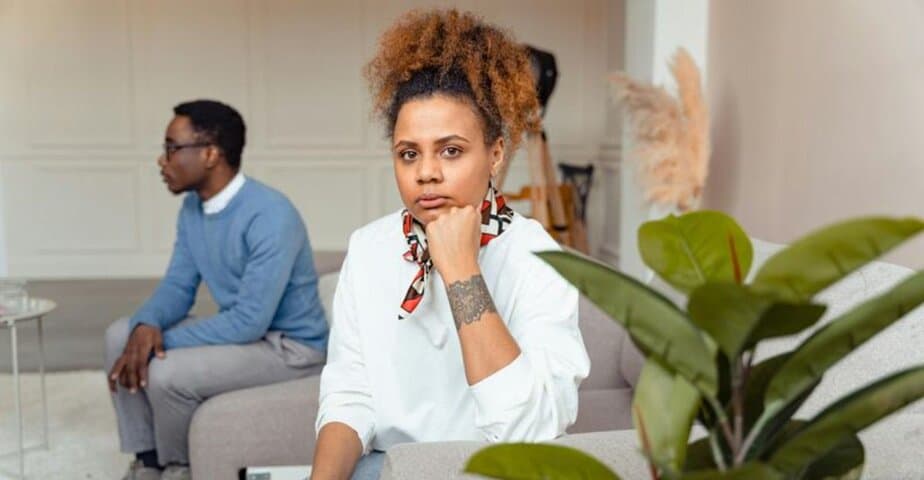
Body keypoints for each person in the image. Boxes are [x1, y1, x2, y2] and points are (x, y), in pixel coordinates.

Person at [310, 10, 590, 480]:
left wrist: (461, 269)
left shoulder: (539, 257)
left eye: (451, 150)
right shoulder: (369, 248)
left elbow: (527, 431)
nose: (426, 173)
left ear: (495, 153)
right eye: (409, 154)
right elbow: (349, 395)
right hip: (388, 469)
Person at [104, 100, 329, 480]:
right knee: (120, 335)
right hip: (249, 336)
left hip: (290, 348)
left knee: (166, 371)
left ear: (210, 154)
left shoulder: (271, 214)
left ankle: (180, 468)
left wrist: (158, 342)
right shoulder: (193, 209)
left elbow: (249, 321)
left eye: (172, 148)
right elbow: (178, 286)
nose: (162, 160)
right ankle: (148, 460)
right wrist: (146, 326)